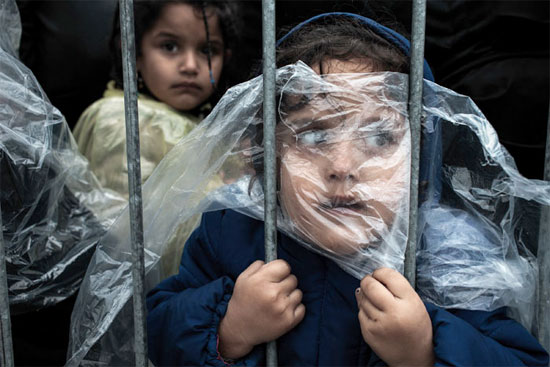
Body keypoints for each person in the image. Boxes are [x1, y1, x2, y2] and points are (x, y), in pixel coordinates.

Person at [144, 13, 549, 366]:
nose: (343, 167)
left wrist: (427, 349)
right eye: (314, 136)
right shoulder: (230, 233)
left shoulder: (449, 256)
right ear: (267, 157)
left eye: (379, 138)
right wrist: (229, 330)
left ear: (421, 162)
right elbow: (154, 333)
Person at [72, 0, 240, 199]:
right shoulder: (119, 121)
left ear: (226, 57)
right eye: (170, 46)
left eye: (208, 51)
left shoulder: (216, 127)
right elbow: (124, 221)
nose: (190, 66)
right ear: (134, 54)